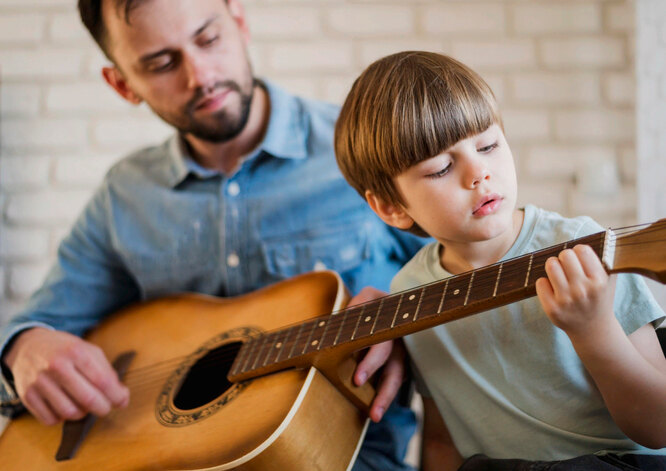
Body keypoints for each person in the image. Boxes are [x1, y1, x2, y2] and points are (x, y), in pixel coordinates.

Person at [0, 2, 429, 470]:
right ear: (123, 84)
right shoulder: (124, 195)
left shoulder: (369, 150)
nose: (200, 76)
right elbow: (42, 322)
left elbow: (470, 275)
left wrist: (416, 333)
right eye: (162, 63)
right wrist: (25, 348)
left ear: (239, 20)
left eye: (208, 39)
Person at [334, 51, 666, 470]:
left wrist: (593, 330)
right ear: (391, 208)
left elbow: (659, 427)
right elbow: (441, 438)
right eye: (439, 168)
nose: (479, 173)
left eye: (488, 145)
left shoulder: (586, 247)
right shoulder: (411, 294)